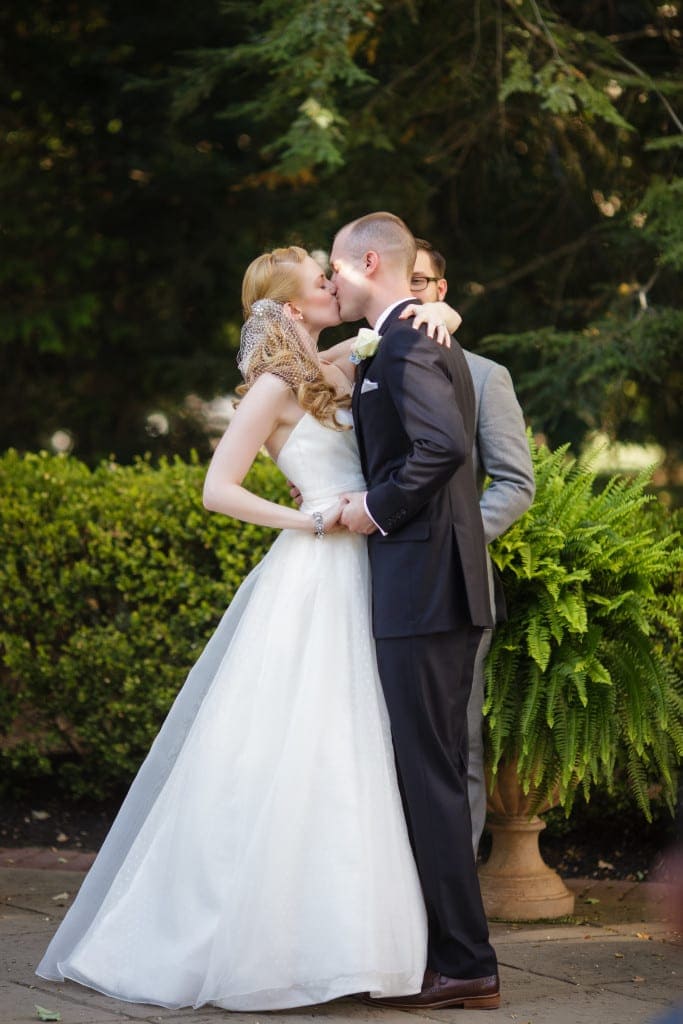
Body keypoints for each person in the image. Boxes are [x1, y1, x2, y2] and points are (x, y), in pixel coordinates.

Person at [35, 244, 446, 1011]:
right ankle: (259, 942)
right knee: (304, 742)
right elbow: (216, 489)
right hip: (317, 569)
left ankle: (356, 944)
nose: (334, 283)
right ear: (294, 309)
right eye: (320, 280)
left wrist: (441, 309)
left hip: (374, 573)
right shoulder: (273, 385)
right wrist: (310, 517)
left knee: (361, 746)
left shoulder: (347, 365)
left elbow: (411, 345)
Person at [329, 212, 501, 1011]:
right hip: (428, 584)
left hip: (425, 586)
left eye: (336, 267)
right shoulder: (404, 334)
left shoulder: (405, 340)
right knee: (423, 772)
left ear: (369, 261)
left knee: (428, 776)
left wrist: (375, 508)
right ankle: (446, 950)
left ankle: (466, 961)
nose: (330, 281)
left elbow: (442, 448)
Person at [402, 239, 535, 855]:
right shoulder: (369, 367)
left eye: (422, 282)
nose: (413, 294)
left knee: (458, 742)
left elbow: (514, 483)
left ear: (441, 291)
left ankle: (457, 897)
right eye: (404, 283)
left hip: (455, 581)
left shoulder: (485, 376)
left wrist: (453, 538)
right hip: (375, 577)